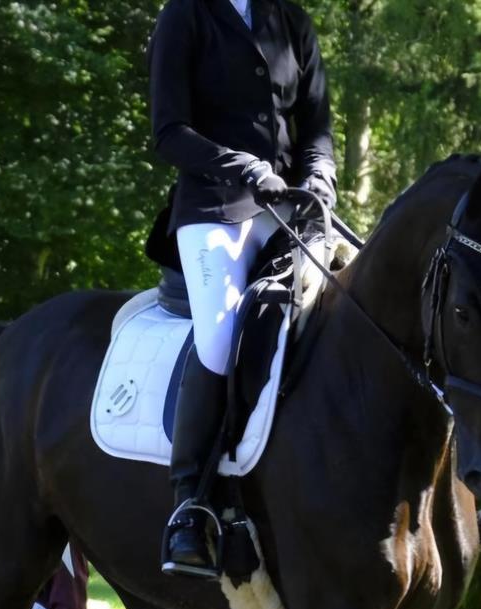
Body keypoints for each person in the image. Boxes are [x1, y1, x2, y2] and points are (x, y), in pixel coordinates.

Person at [148, 0, 337, 576]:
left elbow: (317, 129)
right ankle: (190, 504)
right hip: (215, 207)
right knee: (223, 332)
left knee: (358, 310)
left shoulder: (293, 22)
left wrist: (321, 177)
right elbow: (169, 131)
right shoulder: (186, 15)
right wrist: (244, 166)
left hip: (293, 212)